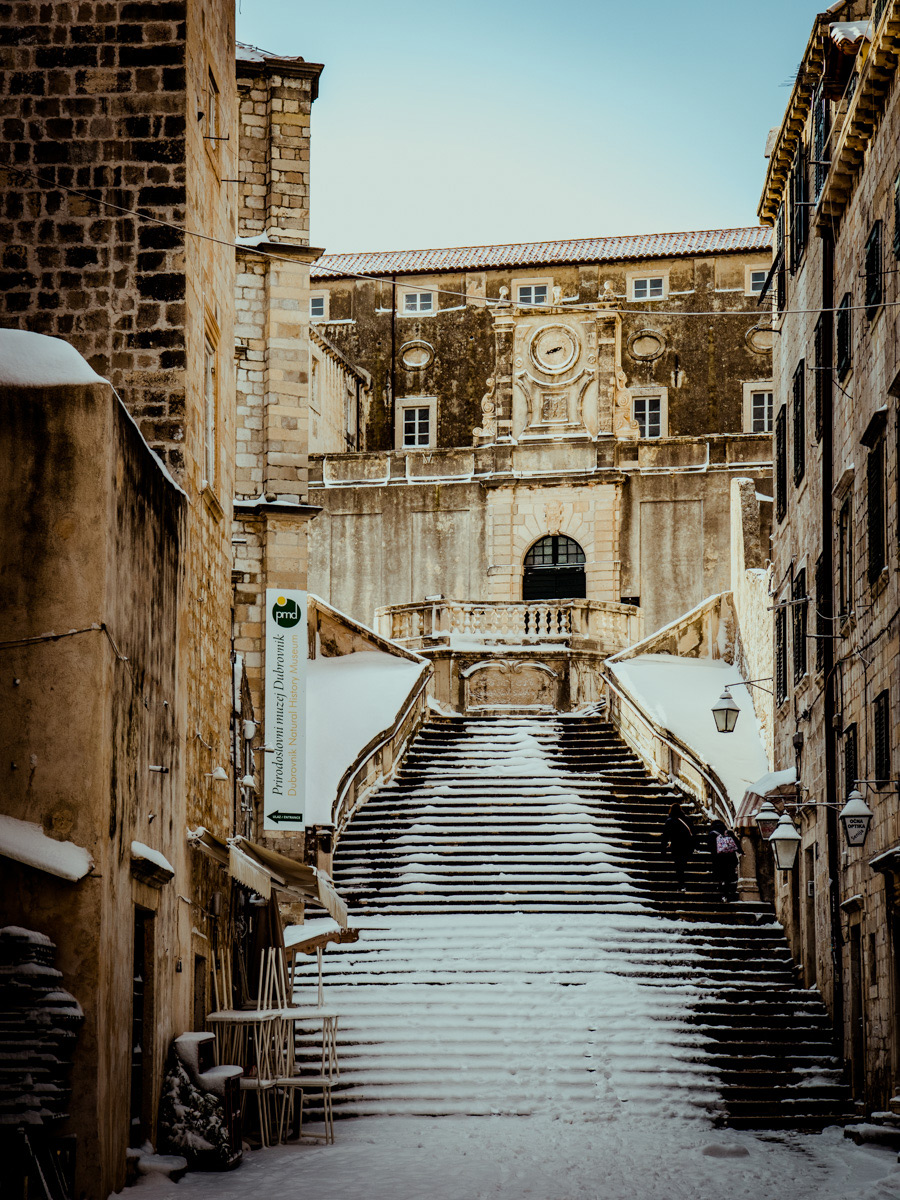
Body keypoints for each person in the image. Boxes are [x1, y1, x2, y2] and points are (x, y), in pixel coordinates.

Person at [661, 801, 695, 891]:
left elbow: (665, 835)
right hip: (686, 846)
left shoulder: (670, 821)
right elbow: (693, 833)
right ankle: (682, 883)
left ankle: (681, 883)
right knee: (683, 864)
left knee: (678, 864)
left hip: (676, 846)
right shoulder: (687, 819)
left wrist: (663, 848)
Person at [707, 818, 741, 900]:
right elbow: (736, 843)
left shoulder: (712, 834)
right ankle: (727, 890)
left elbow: (709, 846)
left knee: (720, 874)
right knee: (728, 874)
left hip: (718, 858)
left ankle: (721, 887)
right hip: (729, 858)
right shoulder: (728, 833)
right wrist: (741, 851)